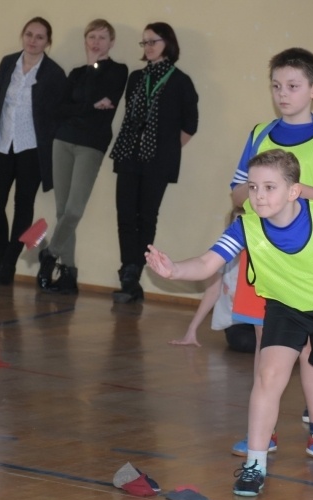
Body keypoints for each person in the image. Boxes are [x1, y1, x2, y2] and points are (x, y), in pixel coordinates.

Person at [145, 149, 313, 497]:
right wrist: (174, 271)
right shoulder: (246, 226)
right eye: (253, 187)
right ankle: (255, 463)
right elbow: (205, 263)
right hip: (284, 307)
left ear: (293, 191)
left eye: (269, 187)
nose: (259, 195)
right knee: (268, 376)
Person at [228, 47, 313, 466]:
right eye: (277, 86)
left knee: (312, 350)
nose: (283, 94)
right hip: (265, 255)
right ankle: (263, 435)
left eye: (293, 86)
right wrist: (260, 196)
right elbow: (236, 192)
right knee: (269, 347)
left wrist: (293, 192)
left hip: (311, 260)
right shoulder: (260, 132)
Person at [36, 19, 128, 295]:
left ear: (111, 42)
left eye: (102, 37)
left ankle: (49, 255)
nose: (96, 42)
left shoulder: (117, 71)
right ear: (85, 40)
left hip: (91, 144)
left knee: (74, 210)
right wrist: (88, 105)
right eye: (91, 37)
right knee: (63, 212)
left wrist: (83, 98)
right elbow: (59, 109)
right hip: (62, 141)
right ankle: (69, 273)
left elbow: (102, 104)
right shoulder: (76, 73)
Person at [108, 22, 198, 303]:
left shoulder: (181, 81)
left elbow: (189, 126)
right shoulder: (136, 77)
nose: (147, 47)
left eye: (153, 41)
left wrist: (164, 150)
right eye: (144, 42)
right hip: (128, 155)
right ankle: (129, 273)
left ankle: (132, 274)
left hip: (157, 162)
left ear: (167, 43)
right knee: (125, 215)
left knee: (146, 216)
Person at [0, 17, 67, 285]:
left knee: (23, 205)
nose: (32, 41)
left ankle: (7, 266)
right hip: (2, 143)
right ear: (23, 36)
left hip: (31, 148)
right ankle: (3, 259)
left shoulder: (53, 73)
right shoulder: (8, 62)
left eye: (39, 37)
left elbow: (54, 115)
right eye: (29, 34)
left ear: (48, 42)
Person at [169, 207, 256, 353]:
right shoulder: (223, 259)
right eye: (237, 224)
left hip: (261, 320)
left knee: (275, 339)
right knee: (243, 341)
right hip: (236, 323)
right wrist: (192, 330)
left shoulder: (262, 256)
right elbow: (212, 292)